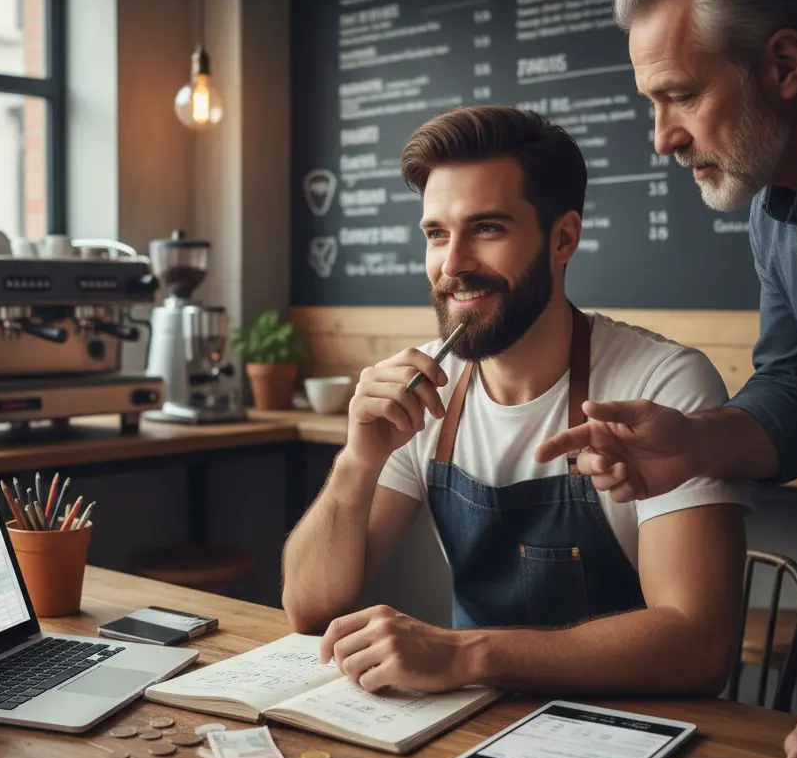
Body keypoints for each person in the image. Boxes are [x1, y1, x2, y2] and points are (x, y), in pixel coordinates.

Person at [282, 105, 749, 699]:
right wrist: (356, 463)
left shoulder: (663, 383)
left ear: (563, 238)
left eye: (487, 229)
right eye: (436, 234)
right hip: (473, 723)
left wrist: (463, 652)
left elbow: (697, 645)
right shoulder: (425, 387)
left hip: (641, 732)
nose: (452, 265)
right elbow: (307, 608)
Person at [534, 0, 797, 758]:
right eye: (649, 103)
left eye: (682, 96)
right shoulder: (775, 207)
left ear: (783, 66)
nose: (660, 138)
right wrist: (701, 443)